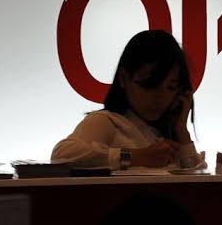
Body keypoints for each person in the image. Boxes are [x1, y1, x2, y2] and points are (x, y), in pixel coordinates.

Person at [52, 30, 207, 170]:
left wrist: (181, 130)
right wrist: (136, 157)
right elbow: (62, 155)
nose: (160, 97)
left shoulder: (167, 134)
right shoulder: (107, 121)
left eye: (171, 87)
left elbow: (198, 181)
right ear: (123, 78)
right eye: (149, 85)